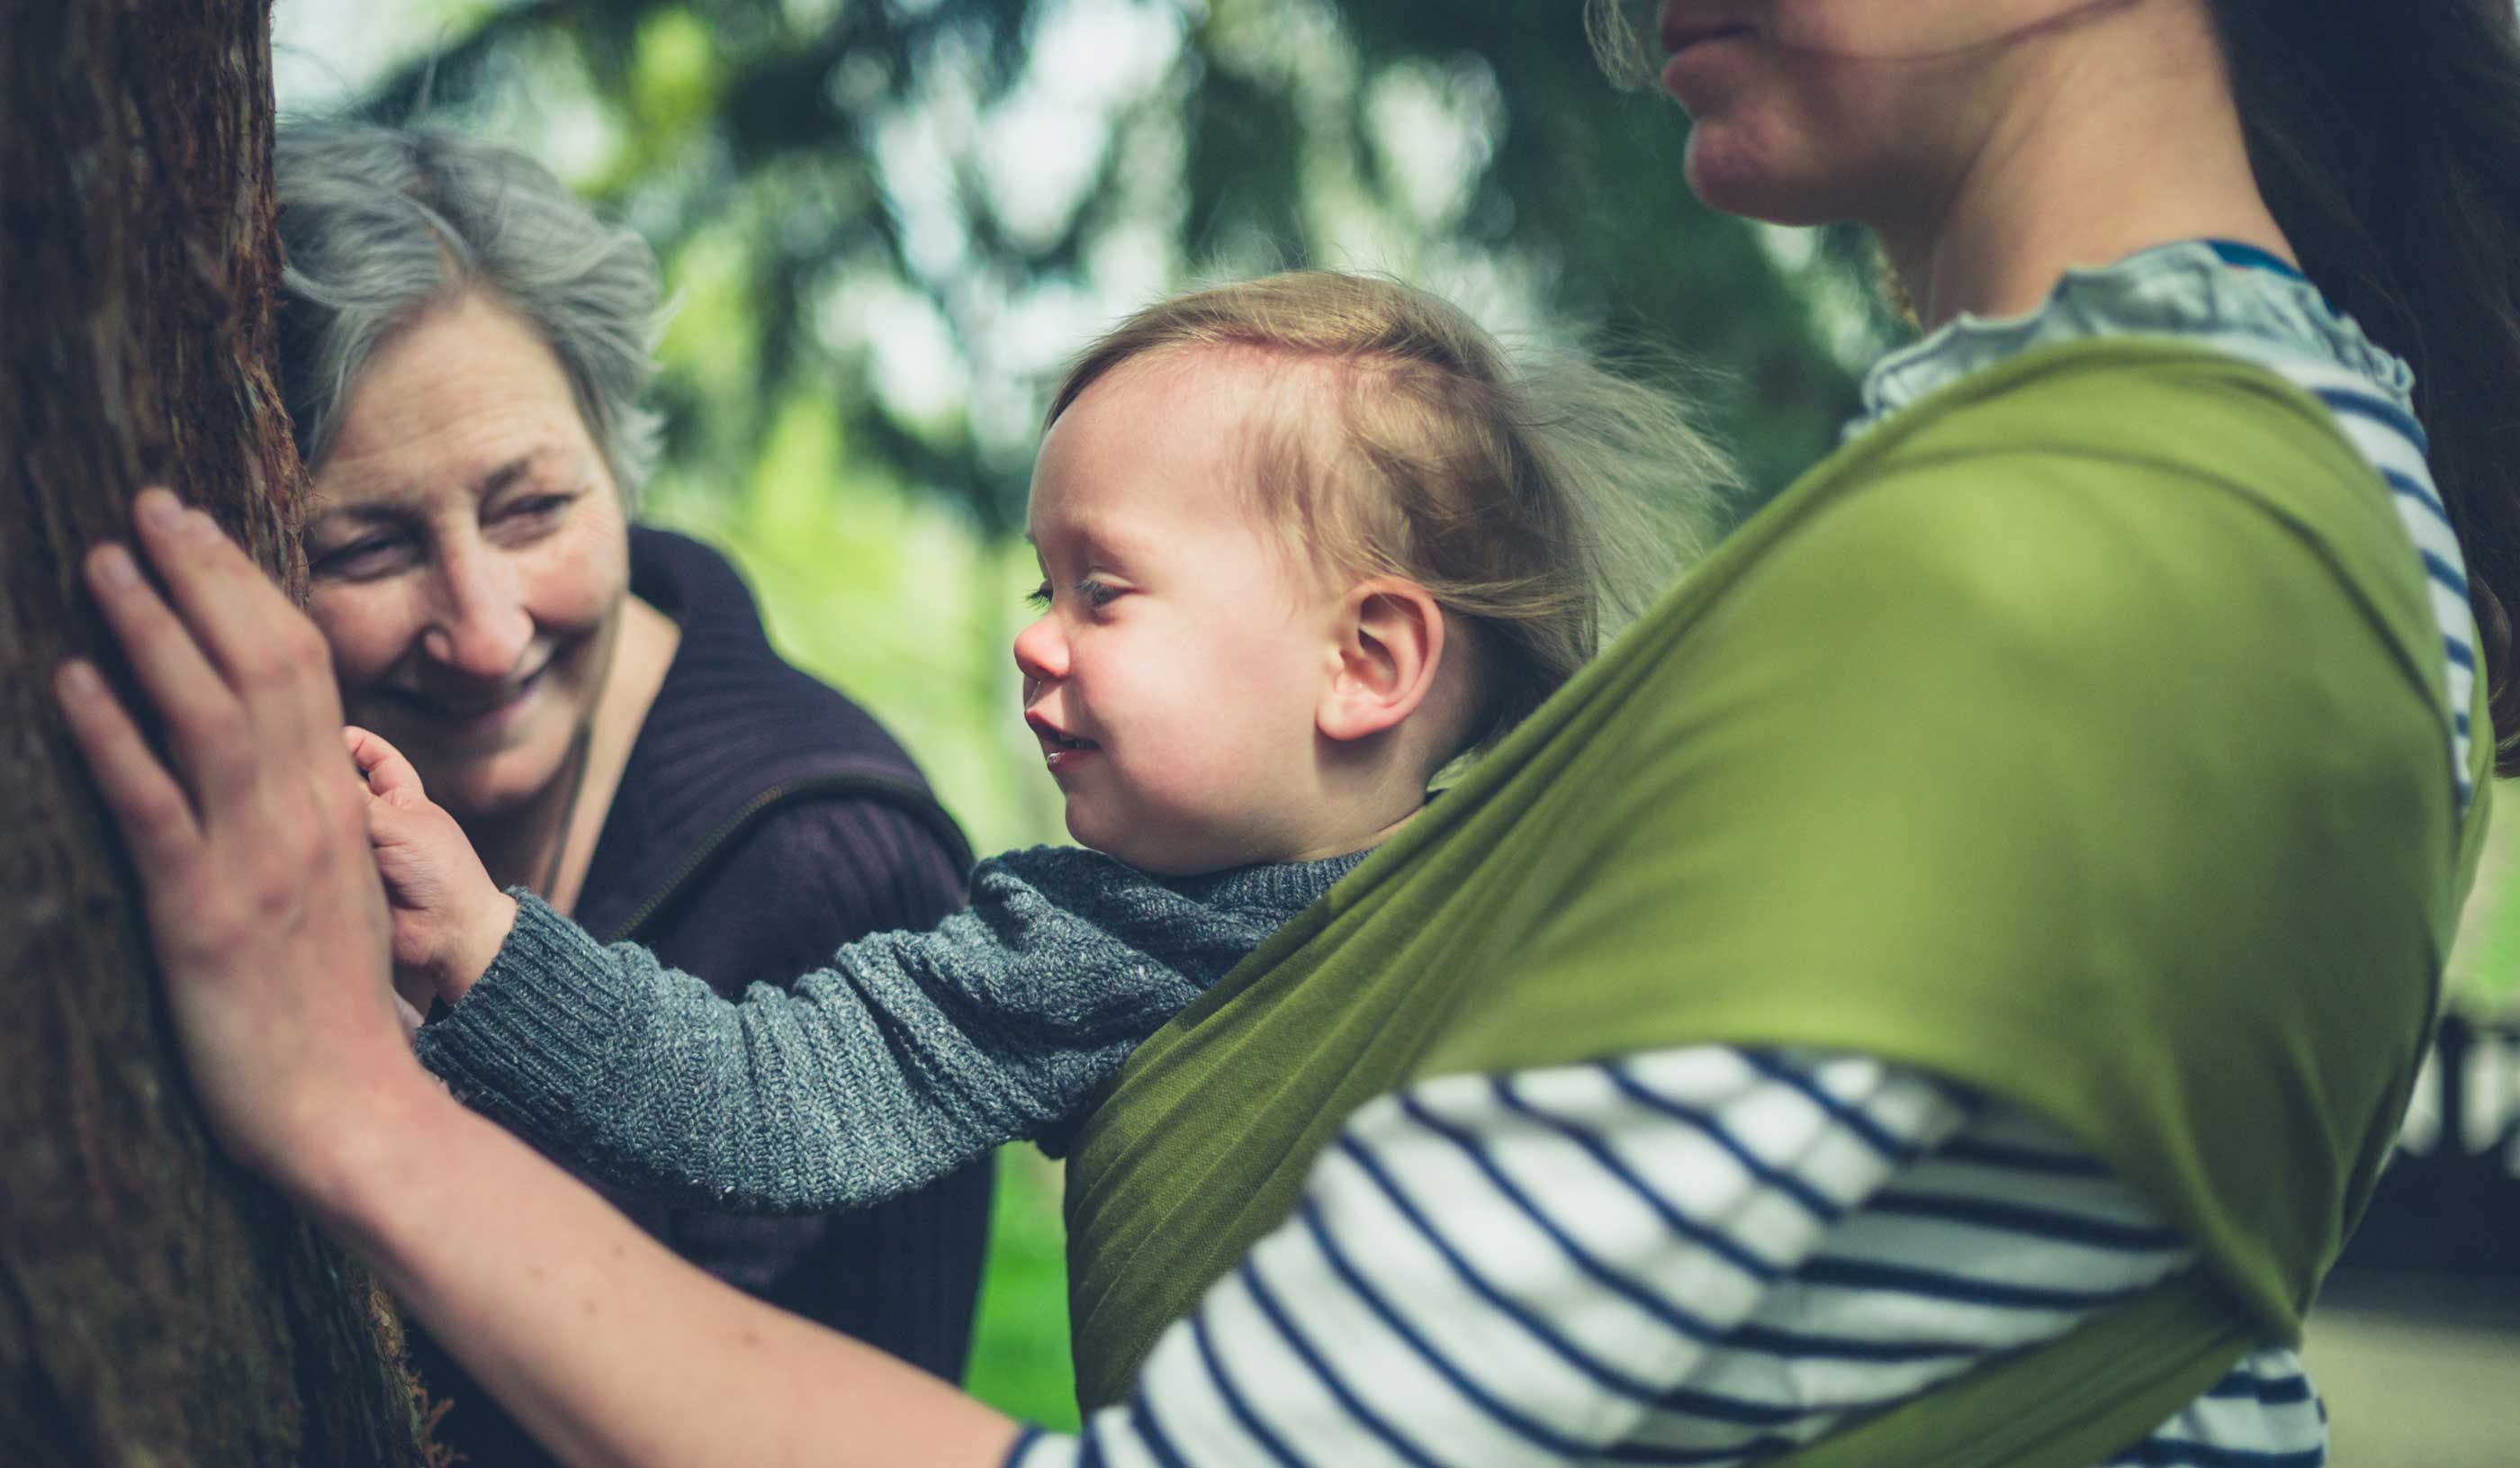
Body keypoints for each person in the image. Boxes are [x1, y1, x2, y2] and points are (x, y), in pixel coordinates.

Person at [53, 2, 2520, 1464]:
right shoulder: (2311, 488)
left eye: (1102, 587)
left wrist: (352, 1109)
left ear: (1383, 659)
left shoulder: (2075, 558)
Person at [343, 268, 1716, 1220]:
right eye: (1037, 587)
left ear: (1364, 664)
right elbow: (761, 1097)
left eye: (1101, 591)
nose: (1035, 639)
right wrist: (486, 942)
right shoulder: (1079, 948)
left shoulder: (1574, 910)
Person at [268, 122, 994, 1462]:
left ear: (617, 466)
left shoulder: (844, 866)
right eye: (368, 547)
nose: (484, 632)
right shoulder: (223, 812)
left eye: (533, 509)